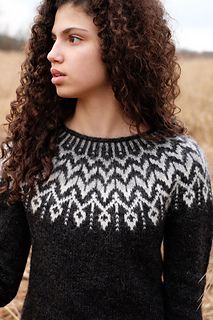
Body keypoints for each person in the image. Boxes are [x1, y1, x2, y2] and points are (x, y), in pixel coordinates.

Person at [0, 0, 212, 319]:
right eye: (53, 38)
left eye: (73, 38)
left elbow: (185, 302)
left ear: (121, 44)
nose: (52, 53)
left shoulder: (179, 161)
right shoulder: (27, 149)